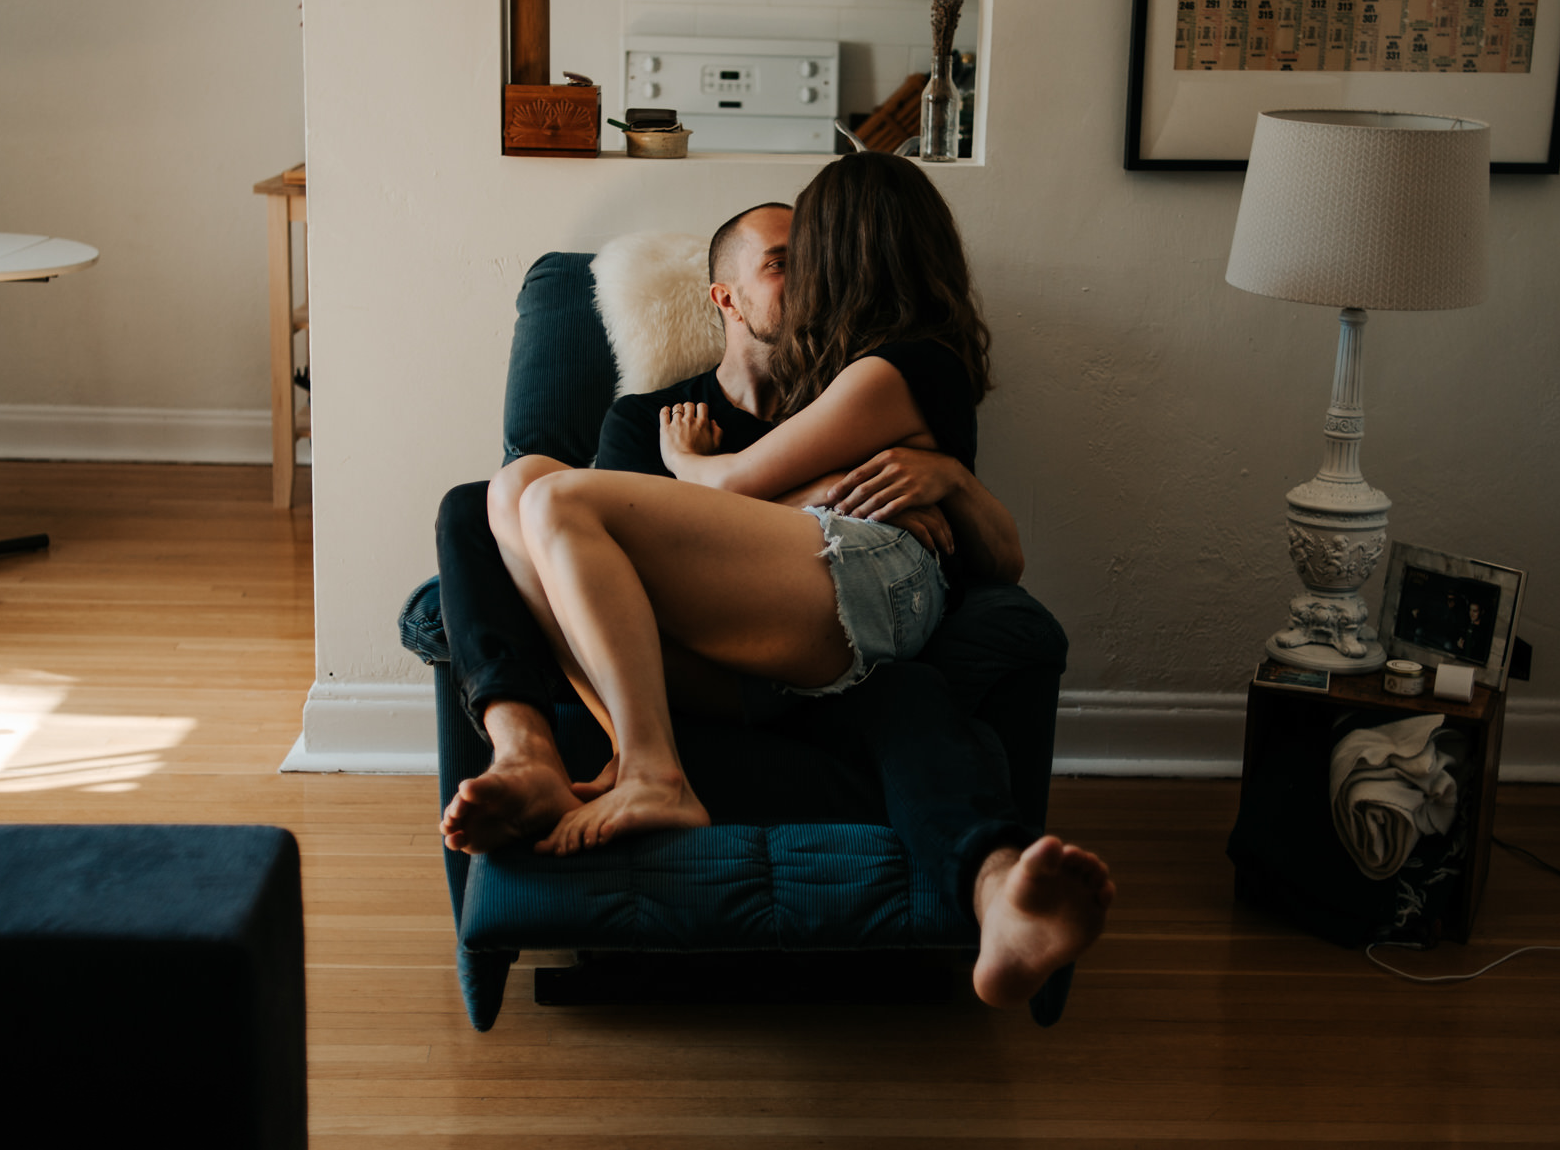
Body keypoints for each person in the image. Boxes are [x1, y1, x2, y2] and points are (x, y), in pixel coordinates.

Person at [445, 152, 1112, 1007]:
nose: (802, 276)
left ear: (847, 255)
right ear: (723, 296)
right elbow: (610, 569)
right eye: (779, 260)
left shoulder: (860, 379)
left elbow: (983, 551)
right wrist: (800, 484)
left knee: (556, 499)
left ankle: (658, 768)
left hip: (840, 624)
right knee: (505, 494)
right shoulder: (646, 417)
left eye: (812, 251)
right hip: (716, 652)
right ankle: (539, 750)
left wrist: (943, 481)